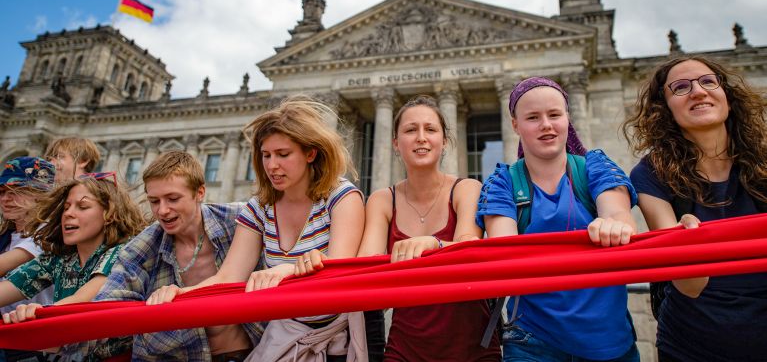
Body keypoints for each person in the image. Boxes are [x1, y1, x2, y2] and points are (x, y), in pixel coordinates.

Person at [148, 98, 366, 362]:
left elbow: (339, 269)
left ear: (311, 154)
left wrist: (285, 271)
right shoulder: (259, 209)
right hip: (285, 334)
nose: (272, 165)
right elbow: (229, 277)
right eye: (266, 155)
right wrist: (179, 294)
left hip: (338, 339)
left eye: (283, 154)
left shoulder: (341, 196)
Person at [477, 77, 639, 362]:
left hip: (608, 340)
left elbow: (619, 216)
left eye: (554, 115)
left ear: (567, 117)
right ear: (515, 125)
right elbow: (504, 250)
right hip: (532, 341)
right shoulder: (502, 182)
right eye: (532, 117)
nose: (546, 125)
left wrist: (614, 224)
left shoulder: (596, 167)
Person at [623, 56, 767, 362]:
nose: (698, 92)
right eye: (681, 87)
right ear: (665, 108)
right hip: (693, 343)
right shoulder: (651, 173)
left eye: (707, 81)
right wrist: (686, 245)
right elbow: (690, 285)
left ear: (726, 94)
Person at [68, 150, 264, 362]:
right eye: (154, 201)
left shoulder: (241, 220)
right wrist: (42, 317)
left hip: (253, 353)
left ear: (200, 193)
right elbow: (107, 307)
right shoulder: (142, 247)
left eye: (172, 199)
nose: (162, 210)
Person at [354, 95, 500, 362]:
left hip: (473, 347)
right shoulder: (382, 200)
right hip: (405, 346)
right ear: (396, 143)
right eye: (411, 130)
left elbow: (468, 249)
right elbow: (367, 268)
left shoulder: (468, 189)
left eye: (430, 129)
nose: (421, 137)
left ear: (444, 141)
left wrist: (435, 244)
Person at [0, 172, 146, 361]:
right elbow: (6, 290)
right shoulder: (58, 259)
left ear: (109, 214)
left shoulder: (121, 254)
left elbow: (81, 300)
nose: (68, 213)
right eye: (66, 207)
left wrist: (37, 313)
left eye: (82, 206)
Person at [0, 157, 56, 362]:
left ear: (41, 196)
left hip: (34, 341)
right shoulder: (5, 234)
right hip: (7, 335)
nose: (6, 198)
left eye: (17, 191)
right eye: (2, 191)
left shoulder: (48, 233)